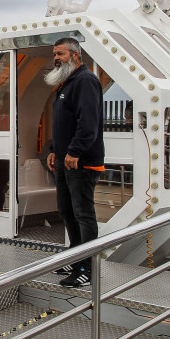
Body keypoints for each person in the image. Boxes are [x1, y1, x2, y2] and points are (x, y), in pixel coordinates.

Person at [45, 37, 105, 288]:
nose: (56, 59)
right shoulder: (66, 83)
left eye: (60, 54)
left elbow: (88, 123)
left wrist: (74, 151)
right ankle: (75, 256)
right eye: (55, 55)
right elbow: (64, 123)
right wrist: (54, 150)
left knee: (83, 214)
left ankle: (87, 269)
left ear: (75, 55)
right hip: (64, 158)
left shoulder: (85, 81)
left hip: (80, 162)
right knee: (66, 212)